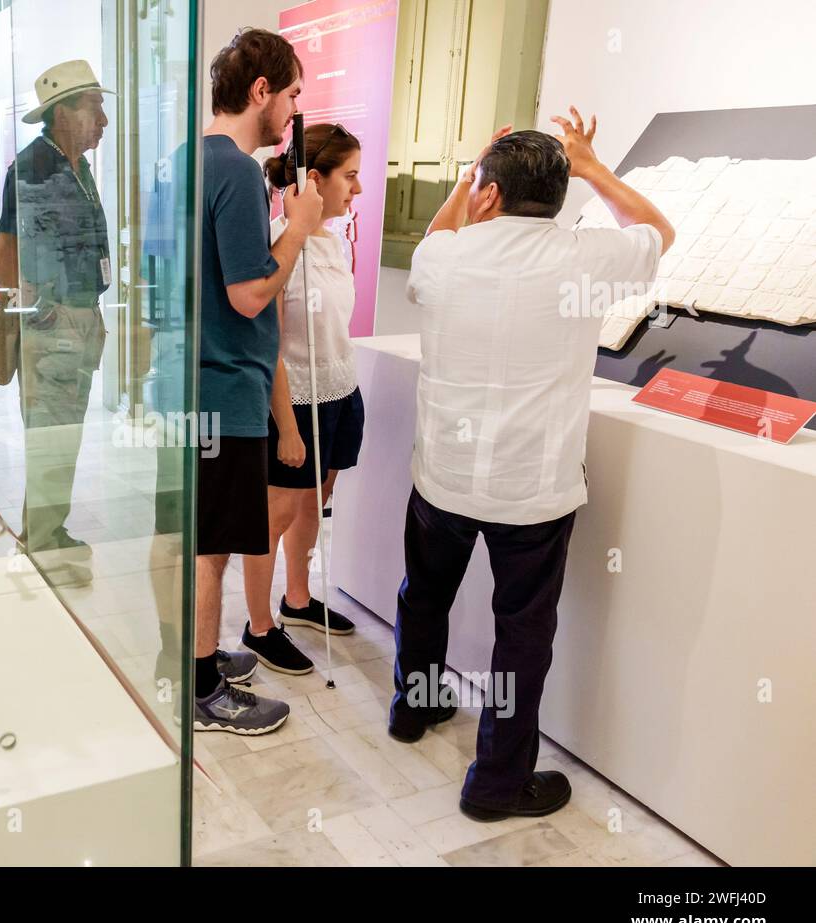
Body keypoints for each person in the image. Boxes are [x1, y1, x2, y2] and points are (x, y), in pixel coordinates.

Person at [395, 109, 674, 820]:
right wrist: (591, 167)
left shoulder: (446, 257)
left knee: (424, 597)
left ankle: (412, 708)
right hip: (533, 492)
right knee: (520, 637)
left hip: (444, 478)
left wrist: (470, 177)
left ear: (488, 193)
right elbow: (657, 232)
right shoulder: (584, 260)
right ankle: (495, 784)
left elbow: (434, 241)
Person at [192, 28, 323, 735]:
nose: (294, 110)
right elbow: (248, 297)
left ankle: (198, 654)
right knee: (211, 547)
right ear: (261, 90)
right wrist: (297, 228)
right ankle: (202, 689)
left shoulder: (185, 160)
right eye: (292, 93)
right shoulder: (238, 172)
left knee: (204, 540)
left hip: (195, 387)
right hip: (224, 391)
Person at [241, 123, 366, 676]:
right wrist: (287, 427)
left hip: (339, 391)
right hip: (293, 402)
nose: (357, 189)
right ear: (314, 179)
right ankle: (258, 626)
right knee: (276, 513)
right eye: (350, 176)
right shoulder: (279, 246)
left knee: (315, 501)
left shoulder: (334, 241)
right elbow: (268, 345)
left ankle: (297, 598)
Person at [0, 60, 113, 588]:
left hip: (79, 320)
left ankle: (48, 533)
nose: (103, 120)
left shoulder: (75, 166)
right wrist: (44, 312)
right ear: (63, 113)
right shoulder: (35, 167)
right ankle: (40, 548)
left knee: (64, 437)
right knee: (51, 440)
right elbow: (2, 260)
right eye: (94, 107)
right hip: (56, 326)